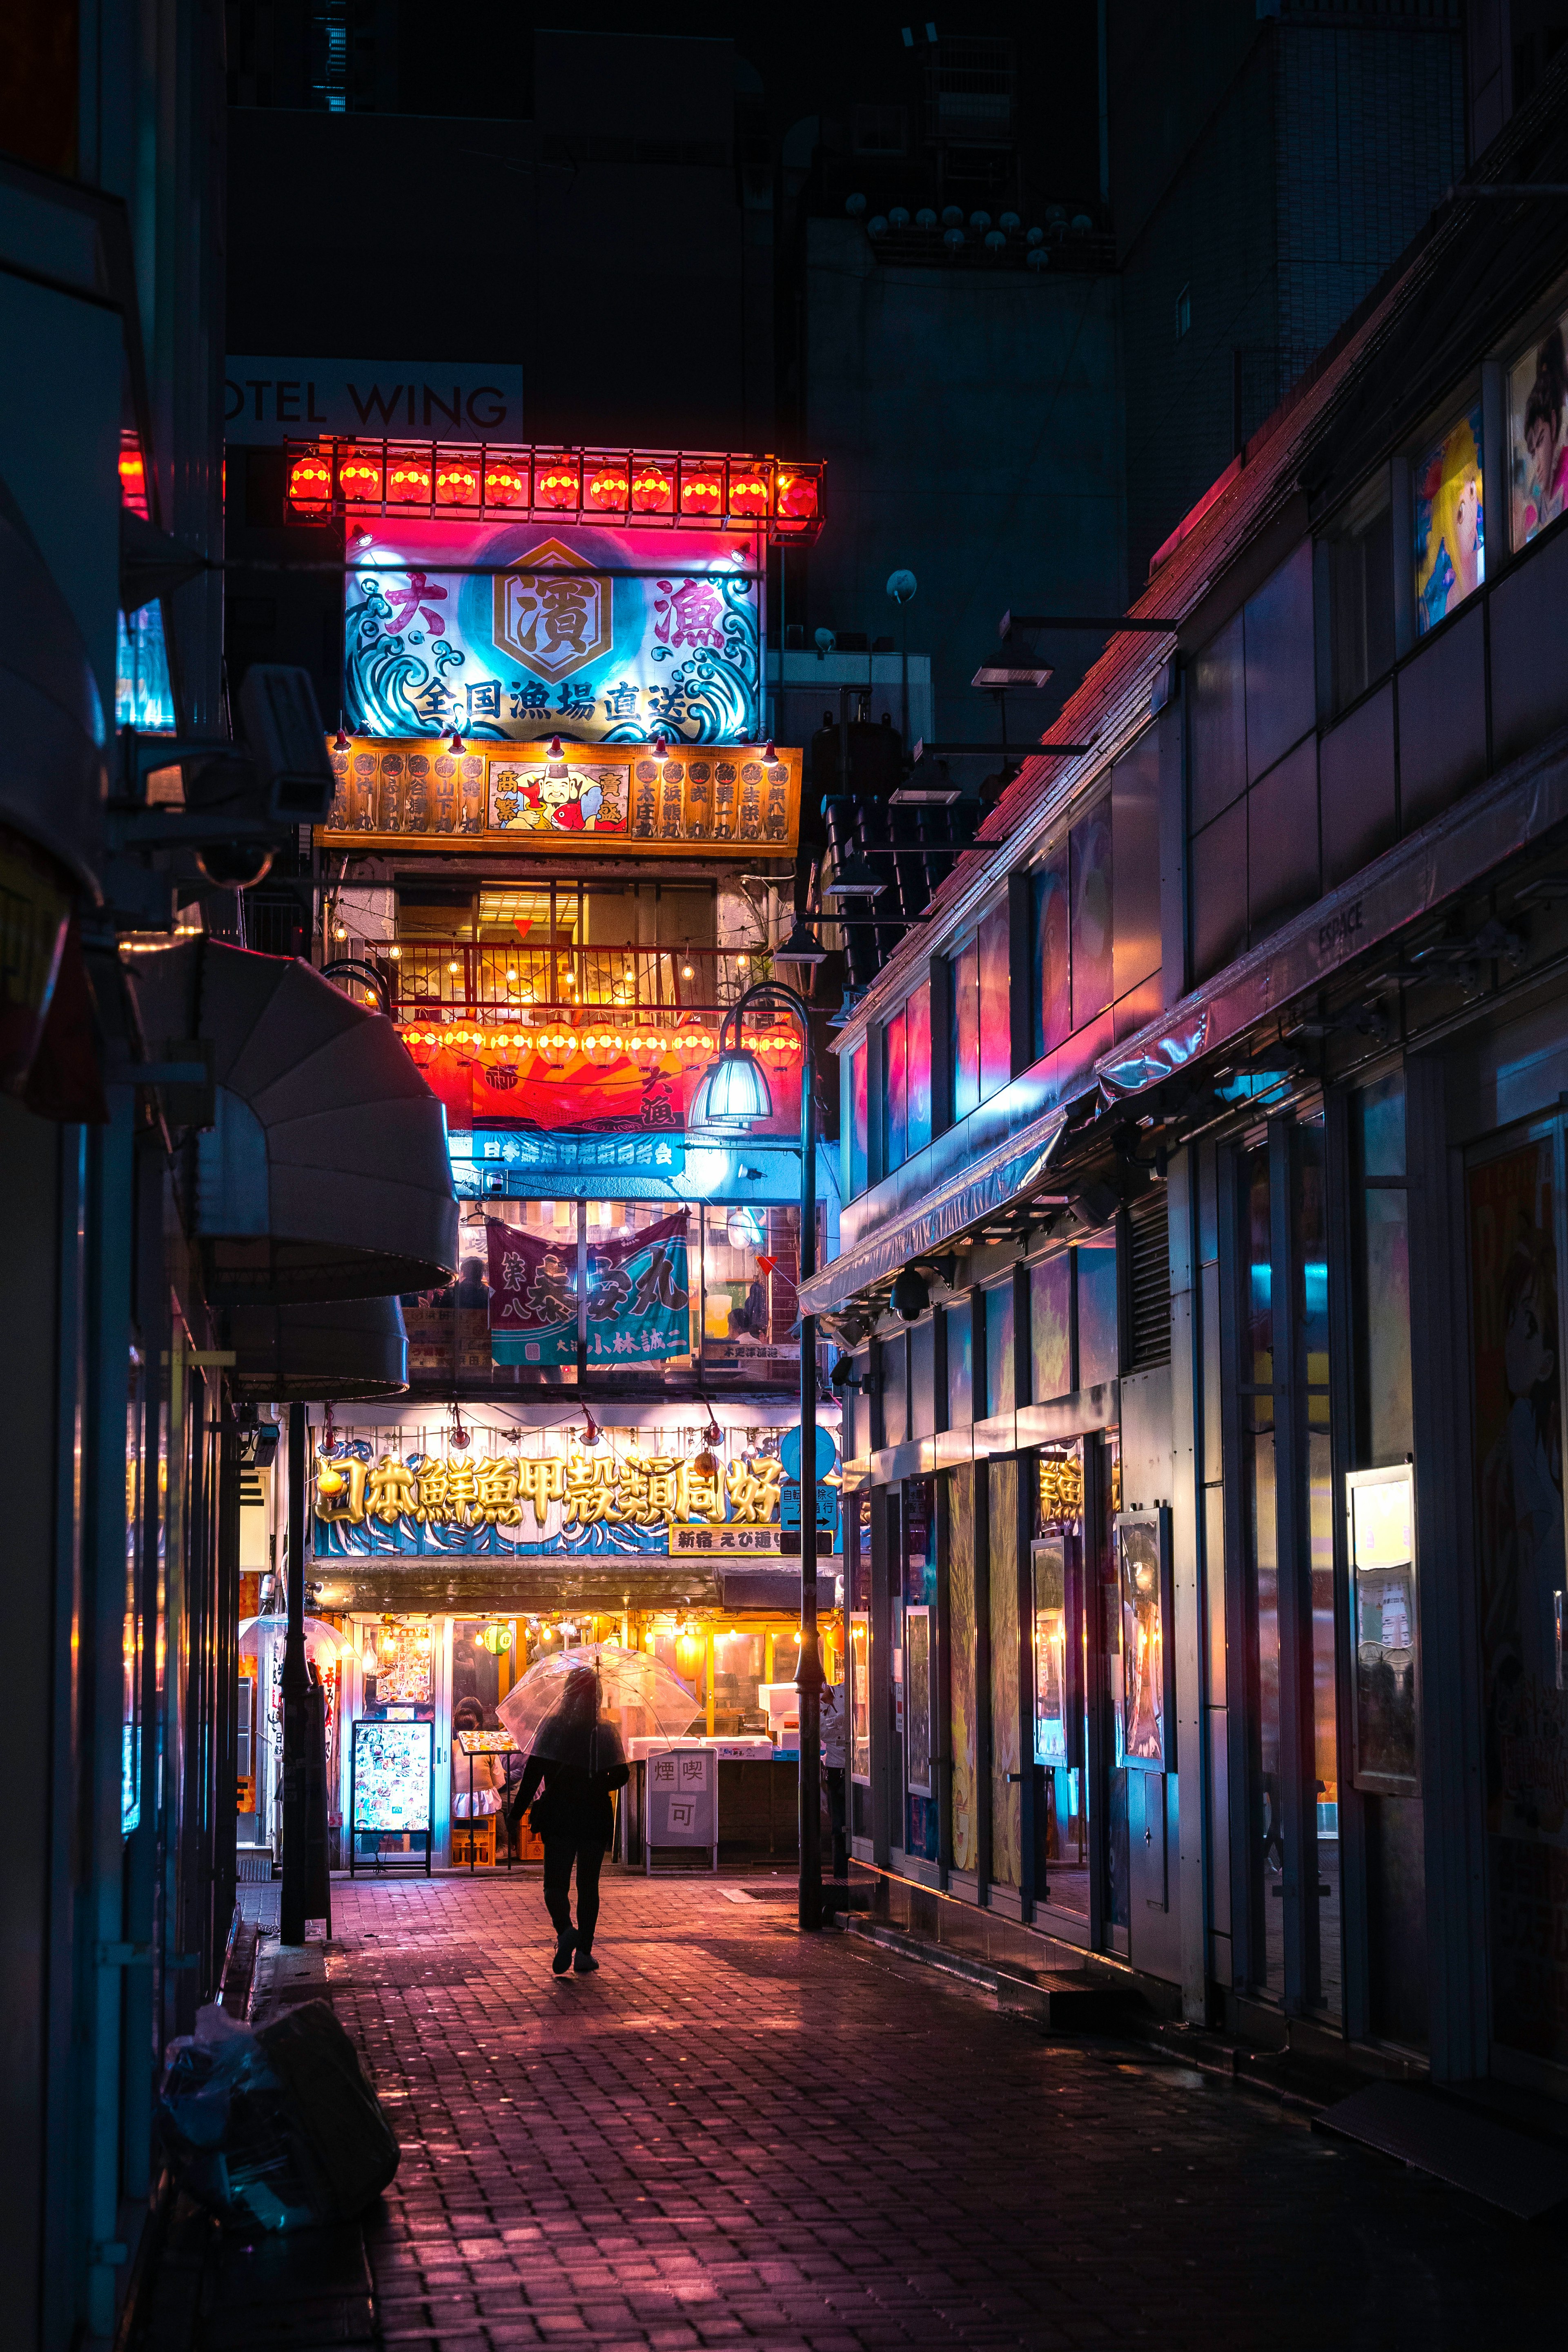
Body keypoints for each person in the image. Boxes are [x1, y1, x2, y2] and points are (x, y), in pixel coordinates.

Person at [508, 1665, 628, 1975]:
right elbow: (623, 1775)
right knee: (589, 1886)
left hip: (559, 1815)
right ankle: (584, 1953)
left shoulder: (552, 1728)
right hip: (594, 1816)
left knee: (554, 1885)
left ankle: (565, 1931)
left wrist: (515, 1815)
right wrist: (595, 1782)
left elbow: (533, 1776)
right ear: (597, 1696)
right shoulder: (605, 1732)